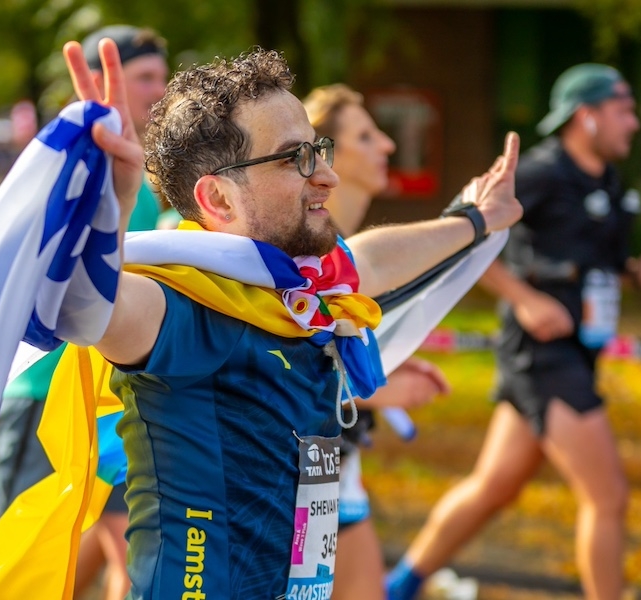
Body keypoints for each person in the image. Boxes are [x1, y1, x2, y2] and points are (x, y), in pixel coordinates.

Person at [59, 37, 522, 599]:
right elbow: (81, 301)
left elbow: (372, 260)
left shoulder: (300, 290)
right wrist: (106, 208)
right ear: (220, 200)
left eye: (320, 149)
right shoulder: (174, 306)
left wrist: (475, 219)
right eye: (295, 158)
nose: (326, 175)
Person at [385, 64, 641, 600]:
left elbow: (597, 265)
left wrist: (640, 273)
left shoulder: (608, 182)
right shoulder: (541, 172)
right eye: (624, 110)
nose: (635, 123)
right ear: (586, 117)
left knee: (493, 488)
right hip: (543, 359)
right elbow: (465, 238)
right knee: (607, 497)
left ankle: (397, 586)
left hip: (576, 355)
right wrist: (526, 299)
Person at [0, 25, 170, 600]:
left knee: (119, 561)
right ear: (99, 82)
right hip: (43, 391)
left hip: (103, 400)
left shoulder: (141, 177)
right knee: (10, 565)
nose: (158, 91)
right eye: (144, 78)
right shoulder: (77, 163)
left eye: (162, 78)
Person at [303, 84, 451, 600]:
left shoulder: (345, 241)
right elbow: (290, 368)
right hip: (298, 468)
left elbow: (340, 355)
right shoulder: (305, 251)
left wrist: (388, 370)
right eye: (366, 136)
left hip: (339, 463)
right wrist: (381, 390)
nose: (387, 145)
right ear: (325, 157)